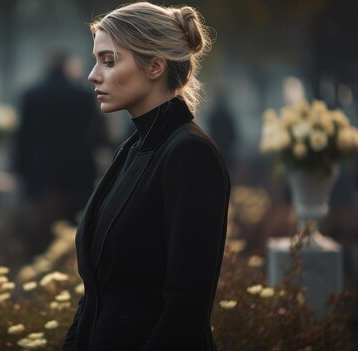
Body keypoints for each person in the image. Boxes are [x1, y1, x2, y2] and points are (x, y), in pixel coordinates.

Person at [62, 3, 230, 351]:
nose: (94, 74)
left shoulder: (189, 154)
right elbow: (96, 292)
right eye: (96, 60)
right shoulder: (131, 150)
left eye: (109, 61)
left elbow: (186, 310)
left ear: (155, 66)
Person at [15, 51, 107, 258]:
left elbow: (23, 139)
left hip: (41, 176)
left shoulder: (31, 95)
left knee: (41, 235)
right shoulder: (84, 96)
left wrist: (21, 172)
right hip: (76, 175)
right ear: (68, 67)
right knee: (74, 233)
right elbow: (100, 137)